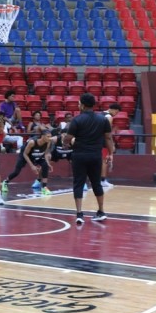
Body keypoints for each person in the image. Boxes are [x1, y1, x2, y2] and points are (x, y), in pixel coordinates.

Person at [64, 92, 115, 224]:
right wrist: (110, 153)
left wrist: (67, 142)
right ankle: (101, 211)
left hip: (79, 155)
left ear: (83, 105)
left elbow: (68, 138)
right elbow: (108, 138)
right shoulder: (103, 120)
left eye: (79, 103)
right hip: (95, 156)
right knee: (96, 183)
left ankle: (79, 214)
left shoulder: (77, 120)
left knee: (78, 183)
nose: (78, 105)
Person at [1, 129, 54, 196]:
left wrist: (48, 163)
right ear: (42, 136)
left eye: (50, 136)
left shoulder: (48, 142)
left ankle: (44, 188)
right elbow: (25, 154)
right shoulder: (32, 142)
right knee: (16, 172)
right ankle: (5, 182)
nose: (50, 138)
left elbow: (45, 153)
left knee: (45, 165)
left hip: (37, 154)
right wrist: (32, 166)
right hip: (25, 155)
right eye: (48, 136)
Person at [100, 102, 122, 188]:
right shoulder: (109, 117)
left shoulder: (100, 114)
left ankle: (96, 180)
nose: (116, 114)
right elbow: (108, 134)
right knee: (104, 161)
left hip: (95, 141)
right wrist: (111, 145)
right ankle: (102, 181)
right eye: (116, 112)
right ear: (114, 110)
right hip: (103, 142)